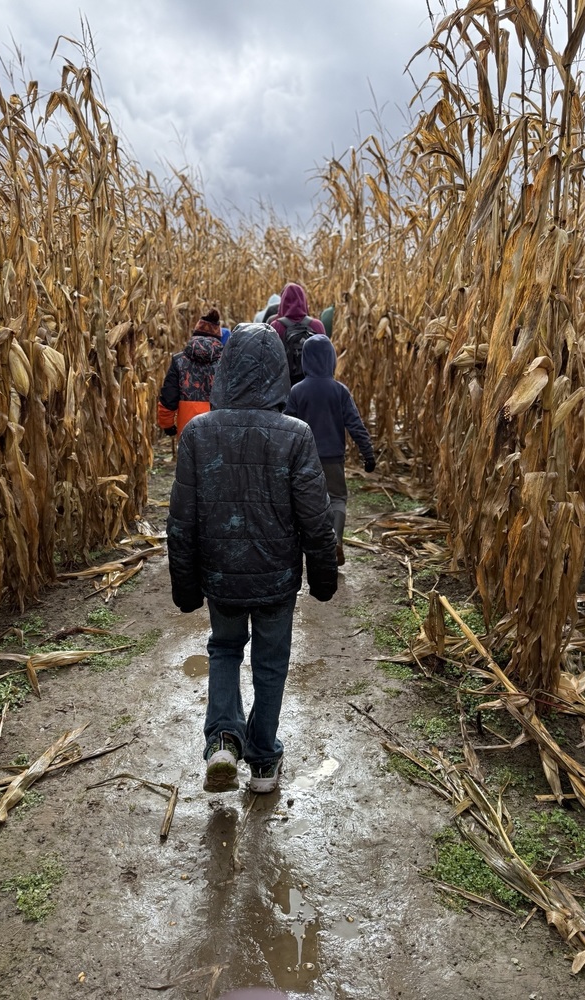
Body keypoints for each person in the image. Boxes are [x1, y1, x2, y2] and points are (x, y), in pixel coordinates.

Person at [167, 323, 338, 794]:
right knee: (270, 662)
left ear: (227, 371)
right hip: (276, 579)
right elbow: (314, 518)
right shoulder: (295, 435)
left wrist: (185, 585)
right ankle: (263, 761)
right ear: (279, 373)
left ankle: (223, 738)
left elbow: (181, 519)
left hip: (220, 577)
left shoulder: (198, 432)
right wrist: (323, 576)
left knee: (224, 650)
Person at [284, 334, 375, 566]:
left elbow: (287, 426)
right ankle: (336, 540)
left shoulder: (297, 391)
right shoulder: (340, 391)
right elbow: (355, 424)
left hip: (305, 458)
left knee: (304, 501)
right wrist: (368, 453)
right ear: (331, 360)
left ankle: (308, 547)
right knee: (336, 499)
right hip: (333, 457)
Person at [157, 308, 224, 439]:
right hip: (220, 427)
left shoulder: (179, 361)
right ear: (218, 338)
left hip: (187, 430)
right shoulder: (227, 361)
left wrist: (167, 425)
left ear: (195, 335)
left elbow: (168, 397)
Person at [268, 282, 327, 387]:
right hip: (313, 386)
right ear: (304, 301)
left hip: (285, 387)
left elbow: (271, 362)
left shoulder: (276, 326)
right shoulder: (317, 326)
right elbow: (325, 359)